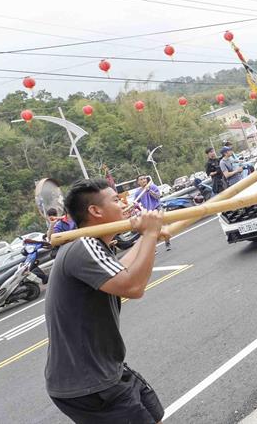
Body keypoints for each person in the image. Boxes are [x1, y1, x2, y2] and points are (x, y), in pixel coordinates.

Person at [45, 179, 167, 424]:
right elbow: (132, 286)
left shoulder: (94, 246)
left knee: (155, 415)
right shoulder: (83, 246)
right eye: (115, 200)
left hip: (106, 370)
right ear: (95, 211)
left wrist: (148, 238)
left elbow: (120, 271)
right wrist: (150, 233)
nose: (123, 204)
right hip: (88, 384)